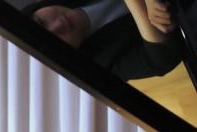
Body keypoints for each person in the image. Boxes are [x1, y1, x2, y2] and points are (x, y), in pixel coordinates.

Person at [22, 0, 182, 81]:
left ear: (36, 7)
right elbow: (162, 58)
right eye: (55, 42)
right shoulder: (99, 65)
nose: (58, 25)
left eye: (41, 22)